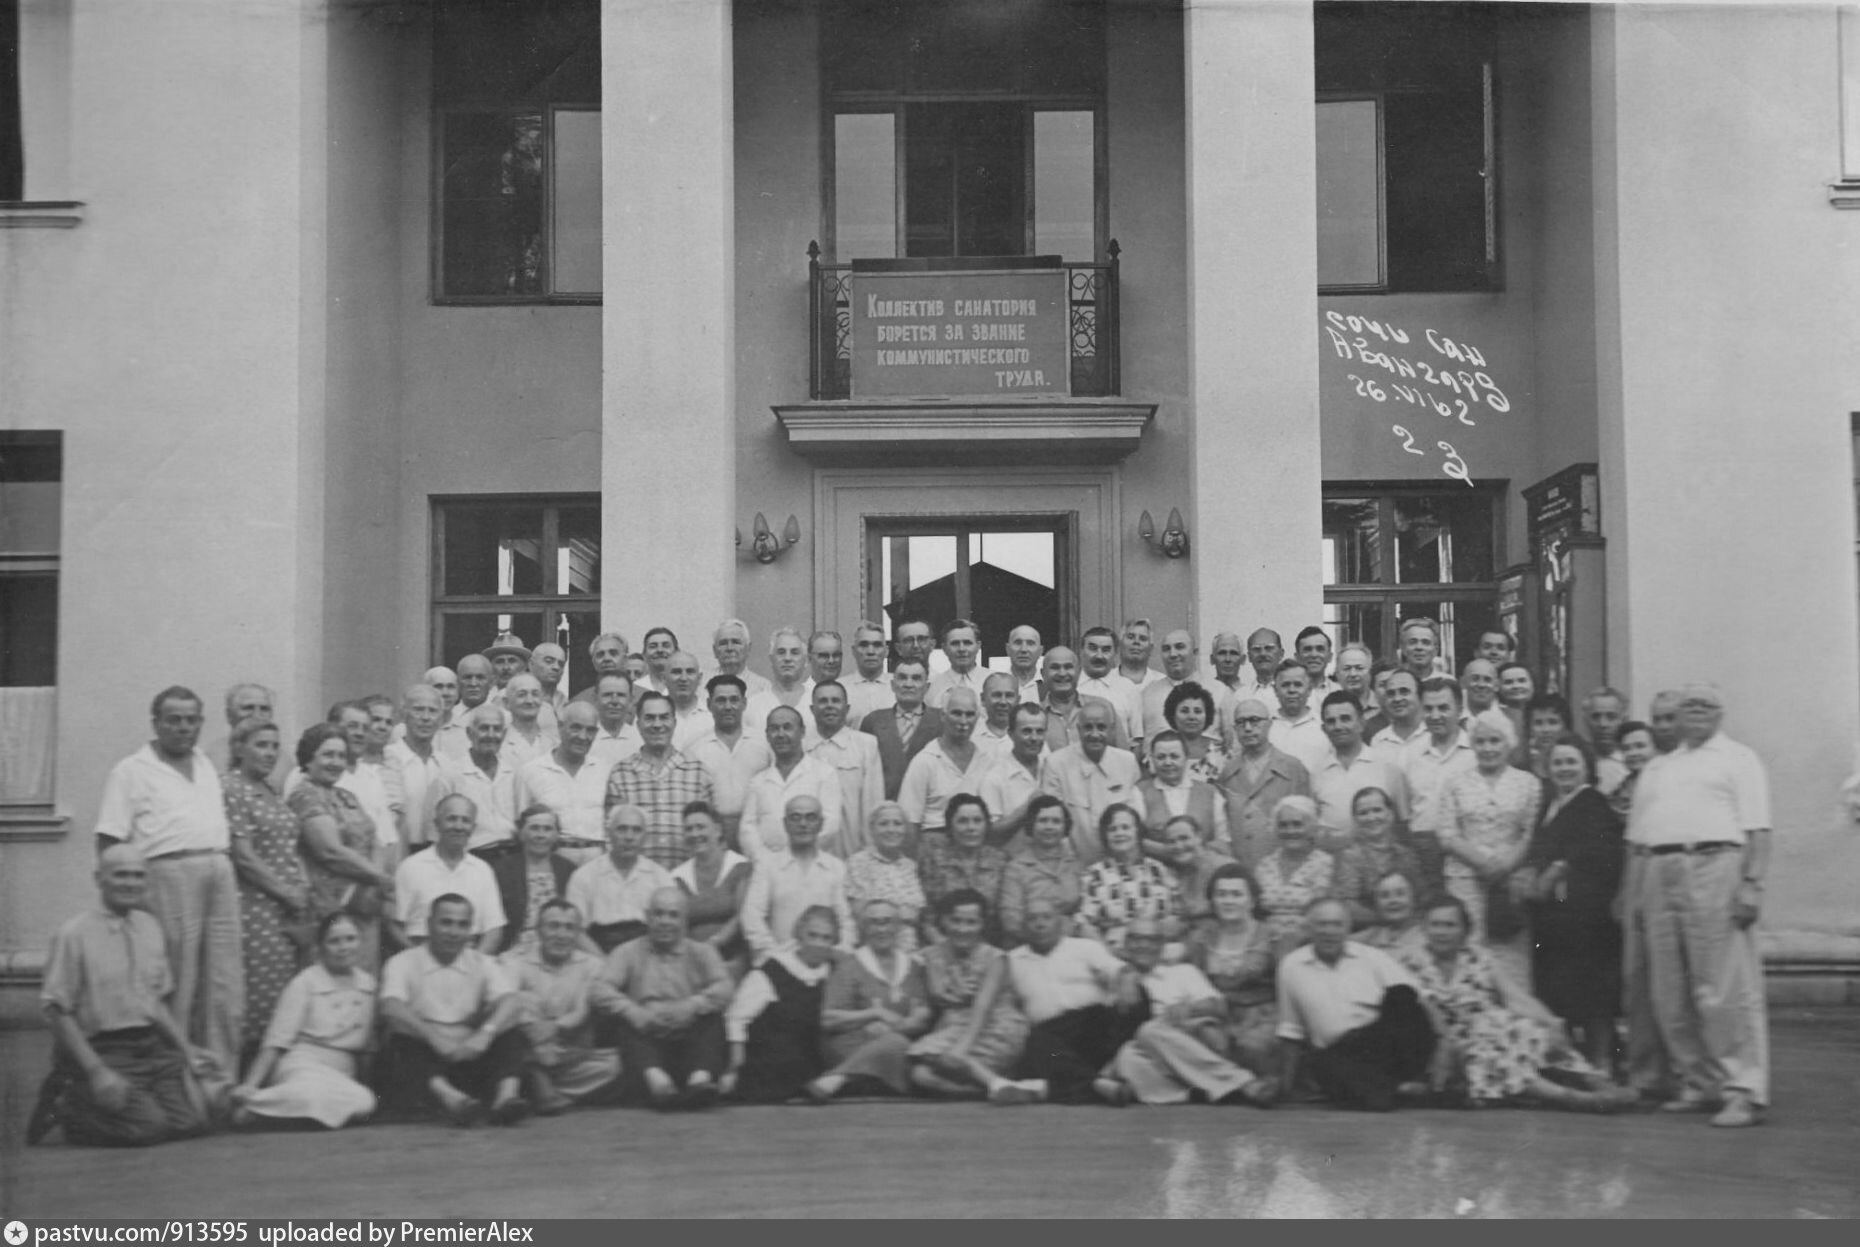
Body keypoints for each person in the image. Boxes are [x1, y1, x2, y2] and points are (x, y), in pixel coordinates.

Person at [1620, 683, 1772, 1128]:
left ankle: (1743, 1088)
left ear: (1721, 713)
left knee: (1723, 986)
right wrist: (1634, 896)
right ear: (1678, 716)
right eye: (1690, 706)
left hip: (1714, 864)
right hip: (1657, 870)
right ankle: (1702, 1082)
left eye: (1708, 704)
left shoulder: (1738, 758)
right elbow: (1636, 840)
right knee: (1669, 989)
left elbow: (1759, 830)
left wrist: (1752, 884)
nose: (1699, 711)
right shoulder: (1658, 767)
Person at [95, 686, 244, 1070]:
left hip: (218, 868)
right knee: (178, 979)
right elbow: (109, 840)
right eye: (174, 720)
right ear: (156, 723)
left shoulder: (205, 762)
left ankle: (220, 1076)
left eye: (191, 720)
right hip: (168, 873)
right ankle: (176, 1072)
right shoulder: (131, 771)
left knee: (223, 980)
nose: (183, 727)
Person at [29, 845, 217, 1147]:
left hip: (151, 1048)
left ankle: (135, 1097)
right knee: (150, 1128)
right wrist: (97, 1071)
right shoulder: (74, 933)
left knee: (194, 1121)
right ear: (99, 879)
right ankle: (68, 1105)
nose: (131, 883)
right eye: (121, 875)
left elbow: (155, 1002)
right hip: (105, 1049)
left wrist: (187, 1049)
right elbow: (57, 1011)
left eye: (138, 875)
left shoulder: (150, 927)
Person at [1401, 898, 1633, 1112]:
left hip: (1492, 1027)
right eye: (1435, 925)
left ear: (1465, 930)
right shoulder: (1411, 964)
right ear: (1424, 928)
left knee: (1530, 1030)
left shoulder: (1479, 957)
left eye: (1450, 925)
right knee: (1490, 1044)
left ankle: (1597, 1083)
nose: (1441, 932)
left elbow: (1514, 997)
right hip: (1449, 1042)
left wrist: (1551, 1022)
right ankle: (1569, 1097)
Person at [377, 894, 533, 1126]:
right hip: (428, 1059)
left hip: (471, 1052)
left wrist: (485, 1034)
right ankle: (455, 1102)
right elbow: (390, 1006)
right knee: (401, 1041)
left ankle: (506, 1099)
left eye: (462, 925)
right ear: (429, 924)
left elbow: (511, 1001)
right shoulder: (403, 962)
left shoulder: (482, 962)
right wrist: (434, 1038)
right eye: (446, 922)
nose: (453, 932)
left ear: (470, 930)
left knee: (512, 1033)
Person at [1520, 735, 1625, 1069]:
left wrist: (1557, 871)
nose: (1564, 769)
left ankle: (1602, 1062)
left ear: (1586, 766)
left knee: (1592, 992)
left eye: (1571, 762)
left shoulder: (1593, 803)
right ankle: (1571, 1064)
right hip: (1555, 917)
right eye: (1558, 763)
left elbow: (1598, 853)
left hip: (1586, 917)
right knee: (1561, 989)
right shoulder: (1551, 804)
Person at [1275, 898, 1435, 1112]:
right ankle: (1397, 1089)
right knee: (1323, 1063)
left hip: (1384, 1042)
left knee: (1402, 994)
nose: (1329, 931)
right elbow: (1290, 1030)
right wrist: (1285, 1086)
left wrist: (1444, 1042)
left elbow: (1420, 997)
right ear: (1309, 928)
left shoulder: (1372, 956)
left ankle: (1389, 1087)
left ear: (1348, 928)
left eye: (1337, 924)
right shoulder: (1291, 966)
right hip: (1341, 1053)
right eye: (1322, 924)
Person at [1104, 918, 1278, 1107]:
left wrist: (1189, 1009)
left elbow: (1218, 1005)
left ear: (1162, 945)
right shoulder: (1114, 979)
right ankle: (1204, 1090)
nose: (1143, 945)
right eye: (1136, 939)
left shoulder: (1182, 972)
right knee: (1127, 1056)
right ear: (1126, 943)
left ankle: (1243, 1083)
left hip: (1189, 1038)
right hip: (1153, 1052)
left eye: (1151, 940)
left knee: (1149, 1031)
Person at [229, 912, 377, 1129]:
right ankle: (250, 1103)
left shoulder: (369, 984)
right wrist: (250, 1085)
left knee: (365, 1102)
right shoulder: (306, 982)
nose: (344, 947)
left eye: (350, 939)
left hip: (342, 1074)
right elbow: (276, 1041)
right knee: (311, 1094)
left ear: (361, 942)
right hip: (302, 1065)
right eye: (334, 941)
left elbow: (368, 1046)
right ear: (321, 948)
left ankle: (270, 1111)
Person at [592, 887, 733, 1108]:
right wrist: (633, 1011)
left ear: (685, 921)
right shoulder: (626, 952)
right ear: (647, 917)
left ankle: (699, 1083)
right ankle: (660, 1086)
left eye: (673, 915)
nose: (665, 921)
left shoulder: (703, 952)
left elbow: (725, 988)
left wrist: (692, 1005)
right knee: (626, 1024)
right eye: (658, 914)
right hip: (648, 1043)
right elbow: (600, 989)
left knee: (712, 1020)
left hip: (689, 1040)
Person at [222, 716, 312, 1058]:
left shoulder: (270, 790)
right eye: (261, 745)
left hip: (285, 907)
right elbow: (243, 856)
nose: (270, 753)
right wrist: (286, 892)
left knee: (283, 992)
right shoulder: (232, 789)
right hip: (255, 907)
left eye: (275, 746)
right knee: (258, 993)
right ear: (239, 748)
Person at [1437, 710, 1542, 986]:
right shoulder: (1456, 783)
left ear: (1509, 743)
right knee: (1469, 948)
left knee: (1511, 951)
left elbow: (1531, 833)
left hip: (1511, 880)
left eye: (1495, 741)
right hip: (1464, 878)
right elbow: (1447, 834)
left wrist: (1505, 866)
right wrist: (1483, 863)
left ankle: (1515, 1008)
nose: (1488, 748)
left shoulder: (1528, 783)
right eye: (1481, 741)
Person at [1008, 898, 1148, 1104]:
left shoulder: (1084, 948)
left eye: (1046, 917)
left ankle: (1079, 1084)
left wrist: (1126, 979)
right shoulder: (1011, 960)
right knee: (1035, 1044)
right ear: (1023, 926)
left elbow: (1119, 969)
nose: (1040, 924)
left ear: (1060, 921)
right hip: (1053, 1040)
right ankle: (1098, 1084)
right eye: (1032, 919)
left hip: (1094, 1027)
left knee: (1140, 993)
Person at [907, 890, 1038, 1103]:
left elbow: (983, 1007)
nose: (963, 929)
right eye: (956, 921)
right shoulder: (929, 956)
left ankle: (995, 1082)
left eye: (971, 922)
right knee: (920, 1075)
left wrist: (962, 1047)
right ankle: (999, 1086)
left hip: (994, 1028)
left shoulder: (995, 958)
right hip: (950, 1032)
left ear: (982, 924)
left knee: (928, 1054)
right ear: (944, 921)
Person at [289, 723, 393, 973]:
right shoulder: (304, 796)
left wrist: (374, 884)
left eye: (341, 756)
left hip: (365, 905)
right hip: (330, 910)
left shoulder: (347, 796)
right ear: (309, 758)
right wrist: (379, 877)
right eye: (328, 754)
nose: (335, 762)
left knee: (364, 978)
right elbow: (330, 851)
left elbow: (375, 840)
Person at [806, 900, 933, 1101]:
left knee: (897, 1043)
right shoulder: (849, 965)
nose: (881, 929)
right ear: (863, 928)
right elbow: (827, 1019)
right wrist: (873, 1014)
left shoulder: (913, 966)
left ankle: (840, 1077)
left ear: (898, 926)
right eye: (873, 922)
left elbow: (922, 1016)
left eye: (887, 922)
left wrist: (897, 1028)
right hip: (851, 1045)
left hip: (897, 1047)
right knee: (897, 1044)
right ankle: (854, 1075)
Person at [502, 898, 620, 1113]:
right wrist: (539, 1038)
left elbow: (580, 1013)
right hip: (528, 1047)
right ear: (538, 930)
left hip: (571, 1054)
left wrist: (552, 1028)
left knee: (613, 1066)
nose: (561, 935)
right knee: (522, 1001)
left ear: (578, 934)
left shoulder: (592, 966)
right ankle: (541, 1082)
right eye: (553, 926)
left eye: (569, 928)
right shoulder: (514, 962)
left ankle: (537, 1082)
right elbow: (507, 1007)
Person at [721, 905, 841, 1103]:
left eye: (826, 938)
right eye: (812, 935)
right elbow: (735, 1019)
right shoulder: (771, 970)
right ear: (799, 935)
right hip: (767, 1065)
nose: (818, 944)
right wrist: (734, 1067)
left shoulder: (836, 972)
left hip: (812, 1065)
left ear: (834, 941)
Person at [1184, 864, 1280, 1074]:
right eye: (1221, 894)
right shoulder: (1200, 938)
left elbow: (1288, 985)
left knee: (1249, 1049)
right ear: (1212, 901)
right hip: (1217, 1017)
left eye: (1236, 894)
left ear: (1252, 901)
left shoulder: (1272, 935)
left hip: (1262, 1018)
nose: (1228, 901)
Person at [603, 691, 715, 869]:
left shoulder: (698, 772)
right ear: (638, 725)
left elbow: (710, 836)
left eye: (664, 717)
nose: (657, 725)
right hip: (638, 877)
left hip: (686, 877)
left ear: (674, 723)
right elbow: (611, 836)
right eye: (649, 718)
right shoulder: (621, 774)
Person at [739, 795, 856, 965]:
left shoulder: (836, 868)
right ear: (785, 824)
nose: (803, 824)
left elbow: (845, 920)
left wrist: (839, 952)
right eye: (795, 817)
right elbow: (752, 916)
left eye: (811, 817)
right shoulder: (767, 866)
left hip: (825, 963)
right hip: (778, 961)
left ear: (821, 824)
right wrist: (773, 954)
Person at [391, 794, 506, 951]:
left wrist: (473, 962)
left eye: (465, 820)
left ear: (473, 828)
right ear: (437, 823)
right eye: (451, 819)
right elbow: (395, 925)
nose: (458, 826)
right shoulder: (410, 867)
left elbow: (494, 930)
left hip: (470, 954)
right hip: (420, 952)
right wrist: (419, 959)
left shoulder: (483, 870)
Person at [1038, 698, 1141, 865]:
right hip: (1074, 863)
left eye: (1101, 727)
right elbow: (1055, 822)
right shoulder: (1056, 764)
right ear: (1078, 730)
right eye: (1088, 727)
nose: (1094, 734)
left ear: (1111, 730)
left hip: (1121, 862)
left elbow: (1135, 817)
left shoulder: (1127, 762)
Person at [1215, 698, 1312, 869]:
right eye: (1241, 722)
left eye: (1254, 720)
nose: (1247, 728)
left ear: (1269, 724)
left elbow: (1309, 827)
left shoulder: (1293, 769)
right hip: (1241, 870)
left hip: (1282, 870)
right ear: (1234, 729)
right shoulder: (1227, 773)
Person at [567, 803, 676, 952]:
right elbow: (576, 931)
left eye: (636, 830)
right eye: (622, 829)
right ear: (609, 834)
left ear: (645, 837)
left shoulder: (661, 878)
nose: (629, 837)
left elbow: (670, 929)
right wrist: (603, 962)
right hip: (598, 954)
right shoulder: (583, 876)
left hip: (648, 956)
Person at [740, 704, 845, 858]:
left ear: (802, 732)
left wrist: (797, 858)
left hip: (811, 862)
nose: (780, 734)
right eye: (774, 729)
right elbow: (748, 828)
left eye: (787, 727)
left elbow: (830, 825)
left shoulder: (824, 774)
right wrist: (765, 860)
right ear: (767, 735)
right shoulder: (758, 781)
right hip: (767, 866)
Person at [1403, 675, 1475, 894]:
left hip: (1467, 851)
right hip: (1423, 853)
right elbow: (1404, 811)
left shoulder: (1476, 752)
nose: (1435, 716)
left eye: (1443, 708)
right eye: (1428, 709)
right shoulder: (1409, 754)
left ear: (1460, 709)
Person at [1254, 796, 1346, 963]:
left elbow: (1326, 913)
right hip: (1266, 946)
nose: (1290, 831)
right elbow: (1257, 913)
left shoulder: (1327, 864)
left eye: (1297, 824)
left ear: (1312, 828)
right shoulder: (1265, 865)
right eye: (1283, 825)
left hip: (1311, 945)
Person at [1078, 804, 1183, 950]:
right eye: (1112, 829)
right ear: (1105, 836)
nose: (1119, 833)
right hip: (1114, 953)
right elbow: (1085, 924)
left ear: (1138, 831)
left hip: (1157, 951)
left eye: (1125, 827)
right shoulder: (1094, 874)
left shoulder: (1159, 870)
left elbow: (1177, 916)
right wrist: (1107, 954)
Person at [1310, 692, 1410, 845]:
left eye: (1345, 719)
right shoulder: (1317, 773)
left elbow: (1403, 824)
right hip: (1332, 856)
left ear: (1362, 723)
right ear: (1324, 729)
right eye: (1331, 721)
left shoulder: (1387, 767)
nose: (1338, 726)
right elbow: (1312, 829)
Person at [683, 673, 772, 845]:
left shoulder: (764, 743)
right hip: (712, 834)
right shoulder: (694, 748)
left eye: (734, 700)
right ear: (709, 704)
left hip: (758, 831)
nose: (728, 706)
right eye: (721, 700)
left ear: (744, 703)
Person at [514, 700, 608, 851]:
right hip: (552, 856)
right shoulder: (531, 772)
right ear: (560, 726)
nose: (583, 737)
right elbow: (520, 827)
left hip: (597, 855)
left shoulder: (605, 771)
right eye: (576, 728)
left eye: (590, 730)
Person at [899, 687, 992, 838]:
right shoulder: (924, 762)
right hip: (935, 844)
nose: (963, 721)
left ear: (977, 717)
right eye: (957, 713)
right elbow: (909, 823)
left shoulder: (985, 761)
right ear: (943, 715)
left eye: (969, 714)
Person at [670, 802, 751, 968]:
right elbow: (678, 925)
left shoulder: (741, 867)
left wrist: (716, 942)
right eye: (689, 829)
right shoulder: (677, 876)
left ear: (717, 830)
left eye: (700, 827)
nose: (695, 834)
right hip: (691, 960)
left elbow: (743, 916)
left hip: (733, 958)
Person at [809, 679, 885, 856]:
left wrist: (869, 853)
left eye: (835, 701)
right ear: (812, 709)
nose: (829, 706)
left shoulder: (866, 745)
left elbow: (873, 803)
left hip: (852, 851)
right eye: (823, 701)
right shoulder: (801, 746)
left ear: (847, 708)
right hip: (810, 852)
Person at [916, 792, 1009, 935]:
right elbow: (925, 917)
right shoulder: (933, 861)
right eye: (962, 821)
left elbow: (1005, 916)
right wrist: (942, 944)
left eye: (977, 821)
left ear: (986, 825)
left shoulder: (1001, 861)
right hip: (941, 941)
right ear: (950, 825)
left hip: (990, 943)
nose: (971, 827)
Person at [998, 794, 1085, 947]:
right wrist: (1052, 932)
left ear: (1065, 827)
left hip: (1072, 945)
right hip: (1028, 946)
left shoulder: (1074, 864)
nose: (1049, 827)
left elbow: (1084, 909)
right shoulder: (1016, 868)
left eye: (1056, 821)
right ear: (1031, 824)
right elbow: (1011, 920)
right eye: (1043, 820)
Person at [490, 804, 577, 955]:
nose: (540, 835)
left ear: (557, 835)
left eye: (547, 829)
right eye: (534, 828)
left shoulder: (568, 870)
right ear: (521, 833)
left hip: (559, 947)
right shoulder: (501, 869)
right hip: (515, 949)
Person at [845, 801, 928, 953]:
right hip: (871, 948)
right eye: (883, 824)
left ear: (905, 829)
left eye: (898, 824)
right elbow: (860, 913)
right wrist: (903, 914)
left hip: (909, 949)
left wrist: (890, 911)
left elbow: (917, 914)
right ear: (872, 829)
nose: (891, 829)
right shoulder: (858, 862)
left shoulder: (910, 866)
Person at [434, 703, 519, 851]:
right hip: (471, 855)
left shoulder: (514, 773)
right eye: (484, 728)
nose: (491, 735)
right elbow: (435, 831)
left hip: (514, 854)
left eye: (497, 729)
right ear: (469, 733)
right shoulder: (450, 775)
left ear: (504, 734)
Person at [1335, 787, 1423, 927]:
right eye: (1363, 813)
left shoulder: (1406, 854)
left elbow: (1419, 898)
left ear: (1390, 814)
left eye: (1377, 810)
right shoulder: (1350, 857)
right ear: (1355, 819)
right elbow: (1347, 906)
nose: (1371, 818)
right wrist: (1389, 918)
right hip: (1367, 930)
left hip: (1409, 929)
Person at [860, 657, 943, 800]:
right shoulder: (873, 722)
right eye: (902, 678)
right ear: (893, 685)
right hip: (886, 805)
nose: (908, 684)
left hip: (929, 805)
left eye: (916, 678)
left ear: (927, 686)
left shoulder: (942, 721)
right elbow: (864, 772)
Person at [1137, 729, 1228, 850]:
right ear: (1152, 759)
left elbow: (1223, 839)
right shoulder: (1140, 792)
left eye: (1174, 756)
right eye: (1161, 757)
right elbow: (1135, 839)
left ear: (1186, 757)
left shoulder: (1210, 793)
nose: (1168, 762)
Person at [386, 683, 449, 855]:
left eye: (432, 711)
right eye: (418, 710)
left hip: (437, 855)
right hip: (398, 851)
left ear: (441, 719)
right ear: (404, 715)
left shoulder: (445, 764)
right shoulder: (390, 758)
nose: (425, 718)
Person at [979, 702, 1050, 846]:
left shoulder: (1053, 768)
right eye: (1026, 731)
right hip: (1010, 858)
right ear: (1011, 734)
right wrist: (1027, 808)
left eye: (1040, 731)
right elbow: (989, 833)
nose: (1034, 738)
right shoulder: (994, 778)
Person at [1160, 815, 1237, 927]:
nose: (1178, 846)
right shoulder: (1176, 873)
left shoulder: (1225, 869)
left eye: (1184, 838)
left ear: (1199, 837)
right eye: (1171, 841)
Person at [1078, 625, 1143, 743]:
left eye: (1106, 650)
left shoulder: (1128, 688)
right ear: (1081, 651)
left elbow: (1137, 739)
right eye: (1093, 648)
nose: (1099, 655)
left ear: (1115, 653)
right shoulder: (1071, 686)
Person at [744, 627, 812, 735]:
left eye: (794, 652)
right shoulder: (753, 706)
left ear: (806, 660)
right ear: (771, 659)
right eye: (781, 652)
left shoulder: (815, 702)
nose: (787, 658)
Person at [1267, 661, 1328, 776]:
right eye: (1285, 685)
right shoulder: (1266, 727)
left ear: (1309, 689)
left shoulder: (1324, 726)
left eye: (1298, 684)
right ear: (1275, 690)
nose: (1291, 690)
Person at [1164, 682, 1229, 784]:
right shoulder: (1161, 747)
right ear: (1172, 714)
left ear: (1207, 715)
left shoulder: (1221, 750)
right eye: (1184, 711)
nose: (1191, 717)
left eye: (1198, 711)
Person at [1356, 870, 1427, 959]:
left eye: (1400, 894)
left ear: (1415, 898)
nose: (1393, 900)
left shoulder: (1428, 936)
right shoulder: (1369, 937)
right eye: (1384, 895)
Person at [925, 618, 986, 709]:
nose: (961, 649)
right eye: (955, 643)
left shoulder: (993, 681)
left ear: (978, 646)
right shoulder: (932, 686)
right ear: (944, 648)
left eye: (967, 643)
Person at [843, 620, 896, 724]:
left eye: (877, 645)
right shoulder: (841, 688)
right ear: (854, 651)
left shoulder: (900, 685)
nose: (870, 651)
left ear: (886, 651)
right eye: (864, 645)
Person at [707, 619, 771, 699]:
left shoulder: (763, 687)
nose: (729, 648)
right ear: (715, 650)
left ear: (748, 648)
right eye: (723, 643)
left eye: (736, 642)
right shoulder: (701, 684)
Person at [664, 650, 714, 750]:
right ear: (664, 678)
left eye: (690, 672)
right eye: (676, 672)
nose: (683, 678)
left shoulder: (714, 715)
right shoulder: (650, 714)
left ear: (699, 678)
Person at [1607, 719, 1657, 820]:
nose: (1633, 753)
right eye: (1626, 748)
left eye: (1640, 746)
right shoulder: (1616, 794)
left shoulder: (1667, 784)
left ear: (1655, 748)